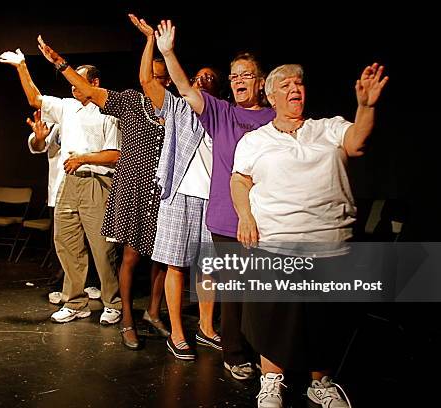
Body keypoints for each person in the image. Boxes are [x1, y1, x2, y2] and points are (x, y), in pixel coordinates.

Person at [231, 63, 388, 408]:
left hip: (328, 240)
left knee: (324, 318)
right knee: (274, 316)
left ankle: (321, 383)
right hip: (276, 240)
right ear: (271, 96)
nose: (294, 88)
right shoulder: (254, 141)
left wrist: (366, 106)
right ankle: (272, 380)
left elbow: (358, 142)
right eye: (284, 85)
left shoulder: (328, 128)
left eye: (298, 83)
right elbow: (239, 180)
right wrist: (245, 216)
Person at [34, 14, 171, 350]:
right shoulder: (128, 102)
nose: (154, 82)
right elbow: (86, 90)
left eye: (161, 79)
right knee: (129, 257)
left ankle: (153, 312)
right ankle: (125, 317)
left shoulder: (178, 109)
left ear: (168, 82)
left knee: (163, 259)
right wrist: (61, 63)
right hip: (130, 186)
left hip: (165, 190)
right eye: (150, 78)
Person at [155, 21, 274, 370]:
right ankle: (235, 356)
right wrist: (167, 52)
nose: (238, 81)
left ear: (261, 82)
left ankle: (270, 360)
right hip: (227, 219)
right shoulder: (222, 114)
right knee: (235, 296)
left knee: (265, 295)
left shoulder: (274, 118)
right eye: (234, 75)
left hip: (269, 218)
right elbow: (183, 89)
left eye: (246, 75)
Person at [0, 49, 122, 324]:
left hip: (96, 182)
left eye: (79, 80)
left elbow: (115, 155)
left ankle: (112, 302)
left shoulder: (108, 112)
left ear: (95, 83)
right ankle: (76, 302)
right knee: (66, 243)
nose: (72, 85)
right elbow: (34, 98)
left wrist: (84, 158)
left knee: (101, 248)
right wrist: (21, 66)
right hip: (69, 183)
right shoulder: (67, 107)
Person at [148, 20, 224, 360]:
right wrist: (153, 41)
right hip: (178, 194)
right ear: (190, 82)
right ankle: (177, 332)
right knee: (176, 265)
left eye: (212, 78)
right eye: (200, 76)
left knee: (208, 267)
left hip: (214, 199)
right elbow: (147, 80)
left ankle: (207, 329)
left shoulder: (223, 115)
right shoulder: (178, 107)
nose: (205, 79)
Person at [26, 111, 101, 303]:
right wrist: (39, 138)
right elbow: (37, 146)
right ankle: (58, 284)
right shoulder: (59, 116)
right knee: (63, 243)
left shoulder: (99, 117)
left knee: (92, 239)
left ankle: (90, 282)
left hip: (90, 188)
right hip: (61, 190)